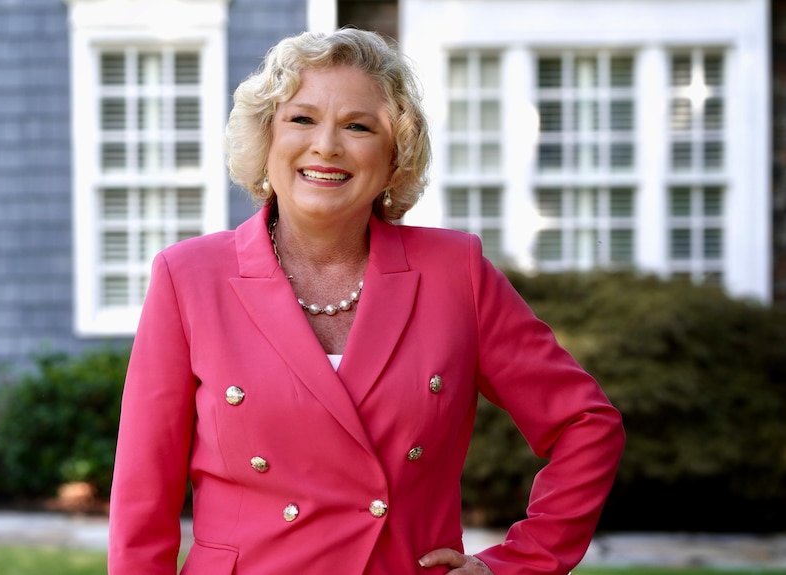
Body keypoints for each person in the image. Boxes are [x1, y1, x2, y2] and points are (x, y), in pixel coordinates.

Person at [107, 28, 625, 575]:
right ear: (266, 141)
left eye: (358, 126)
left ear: (394, 157)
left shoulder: (457, 272)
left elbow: (585, 424)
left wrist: (518, 563)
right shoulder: (187, 277)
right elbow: (143, 497)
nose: (327, 145)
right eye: (302, 119)